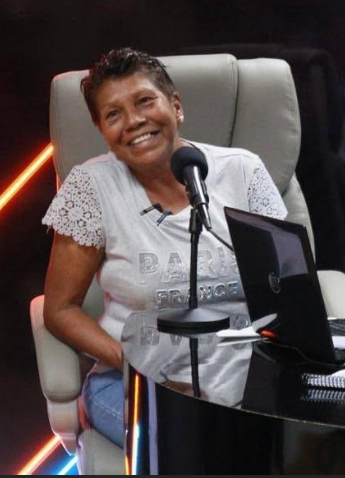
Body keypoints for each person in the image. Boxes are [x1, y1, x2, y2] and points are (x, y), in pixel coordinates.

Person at [41, 48, 288, 446]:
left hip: (244, 375)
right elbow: (60, 309)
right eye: (113, 114)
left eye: (144, 101)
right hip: (133, 383)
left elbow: (289, 286)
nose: (133, 121)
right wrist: (136, 369)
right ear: (101, 130)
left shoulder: (243, 172)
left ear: (175, 105)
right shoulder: (91, 188)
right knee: (193, 448)